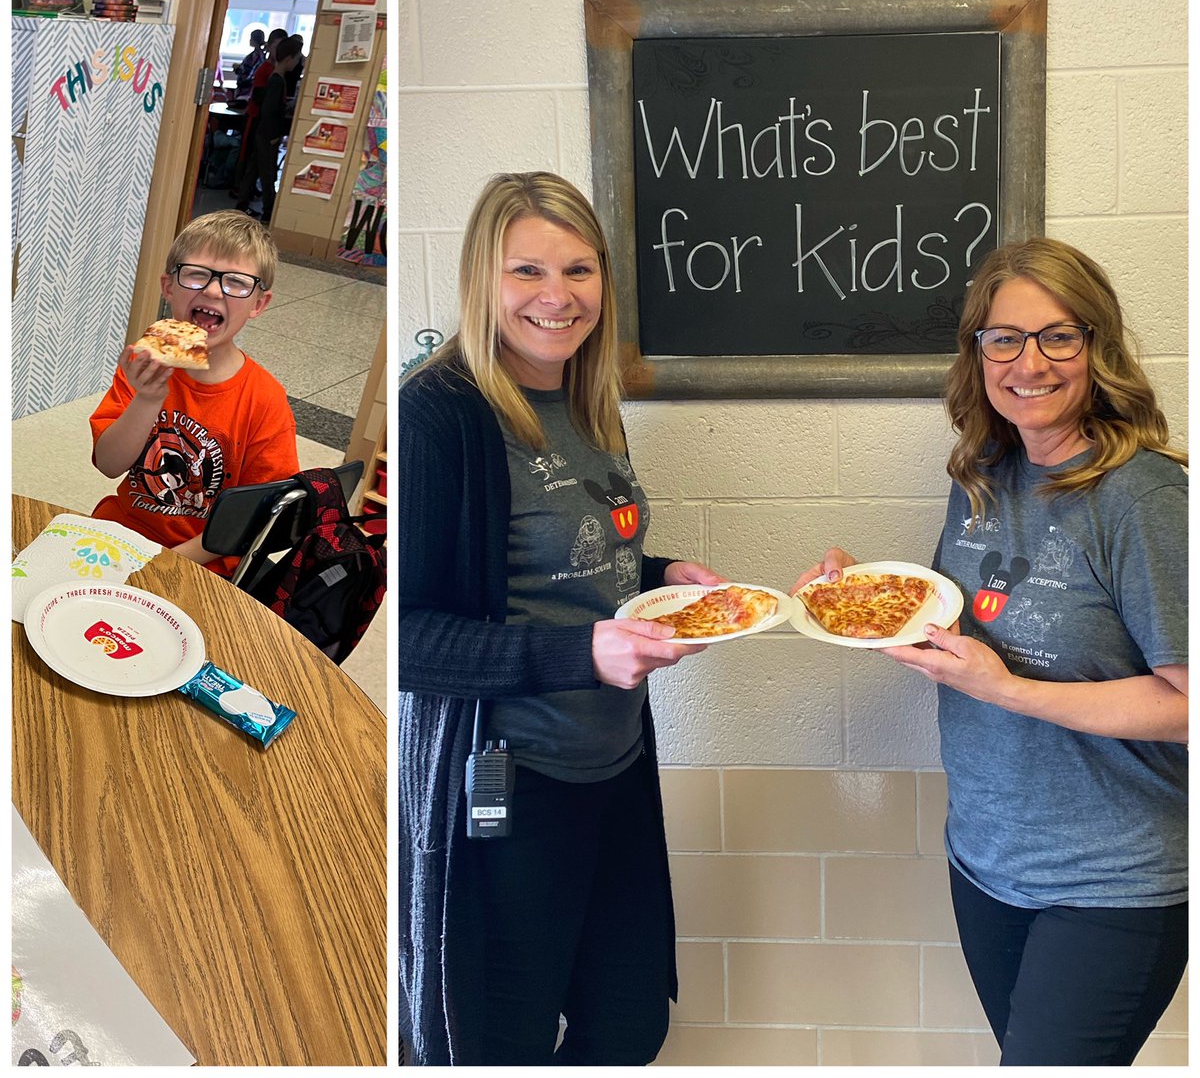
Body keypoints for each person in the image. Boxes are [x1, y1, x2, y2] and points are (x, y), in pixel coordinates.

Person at [795, 238, 1187, 1066]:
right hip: (986, 860)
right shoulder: (985, 473)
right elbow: (958, 627)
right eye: (1003, 338)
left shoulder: (1144, 497)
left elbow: (1188, 707)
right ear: (977, 353)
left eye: (1058, 336)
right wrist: (859, 592)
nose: (1028, 362)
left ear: (1097, 347)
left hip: (1111, 883)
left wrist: (1009, 690)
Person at [398, 172, 725, 1065]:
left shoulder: (586, 400)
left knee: (627, 1023)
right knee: (496, 1038)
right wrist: (583, 653)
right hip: (508, 787)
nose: (557, 297)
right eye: (527, 272)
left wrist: (661, 577)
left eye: (579, 270)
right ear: (482, 280)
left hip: (613, 768)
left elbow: (575, 564)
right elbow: (410, 639)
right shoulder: (441, 416)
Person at [90, 210, 298, 576]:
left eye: (236, 282)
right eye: (197, 274)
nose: (213, 290)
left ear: (259, 304)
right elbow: (108, 464)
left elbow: (260, 511)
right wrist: (148, 399)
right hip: (124, 532)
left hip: (207, 557)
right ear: (168, 286)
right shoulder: (146, 365)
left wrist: (170, 563)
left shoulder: (264, 399)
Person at [235, 37, 302, 221]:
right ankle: (269, 211)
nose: (297, 62)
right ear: (289, 59)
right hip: (267, 133)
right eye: (296, 59)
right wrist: (274, 135)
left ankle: (242, 204)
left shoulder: (276, 78)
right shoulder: (276, 80)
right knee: (267, 173)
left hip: (263, 132)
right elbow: (269, 110)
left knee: (254, 168)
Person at [232, 28, 266, 99]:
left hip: (246, 88)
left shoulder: (255, 56)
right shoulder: (261, 55)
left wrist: (237, 68)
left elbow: (248, 73)